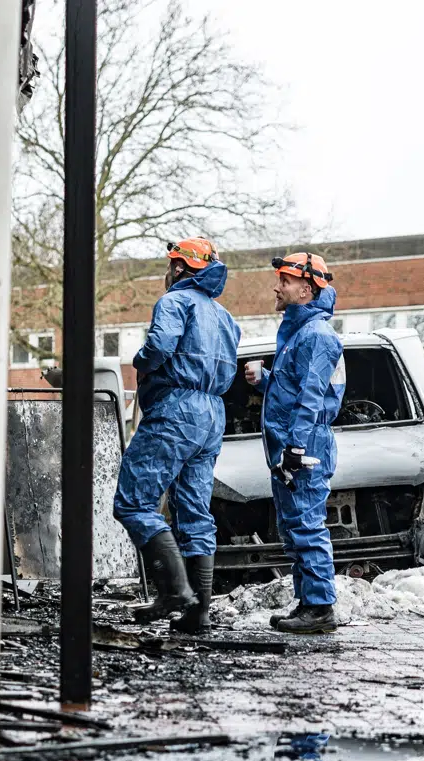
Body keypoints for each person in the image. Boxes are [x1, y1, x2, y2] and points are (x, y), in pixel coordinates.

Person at [113, 237, 241, 632]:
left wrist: (140, 362)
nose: (166, 273)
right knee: (195, 512)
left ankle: (172, 589)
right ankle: (197, 612)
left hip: (175, 410)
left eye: (170, 265)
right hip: (212, 414)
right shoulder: (225, 317)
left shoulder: (174, 302)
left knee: (133, 503)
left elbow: (159, 347)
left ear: (181, 268)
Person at [244, 252, 345, 634]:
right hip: (295, 442)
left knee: (306, 523)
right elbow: (295, 390)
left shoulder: (317, 336)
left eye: (284, 281)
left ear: (306, 289)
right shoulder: (302, 333)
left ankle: (320, 608)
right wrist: (266, 377)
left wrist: (296, 449)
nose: (277, 286)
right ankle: (309, 603)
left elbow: (312, 398)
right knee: (294, 527)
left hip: (305, 444)